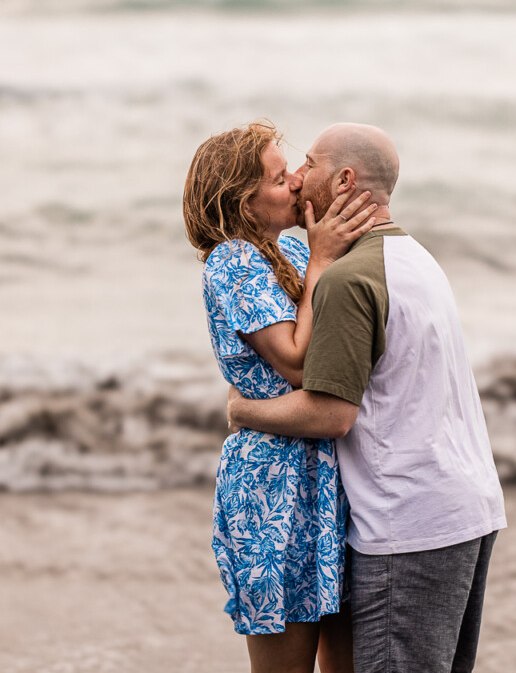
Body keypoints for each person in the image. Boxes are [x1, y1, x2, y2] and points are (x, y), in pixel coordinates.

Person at [227, 123, 508, 673]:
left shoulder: (347, 279)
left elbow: (330, 413)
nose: (298, 177)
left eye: (308, 163)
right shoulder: (415, 258)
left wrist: (242, 411)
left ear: (345, 179)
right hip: (468, 510)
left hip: (407, 526)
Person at [183, 120, 378, 673]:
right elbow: (295, 362)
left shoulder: (285, 250)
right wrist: (321, 260)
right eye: (277, 178)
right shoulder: (234, 262)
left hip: (324, 476)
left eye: (290, 169)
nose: (295, 182)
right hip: (274, 487)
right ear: (243, 204)